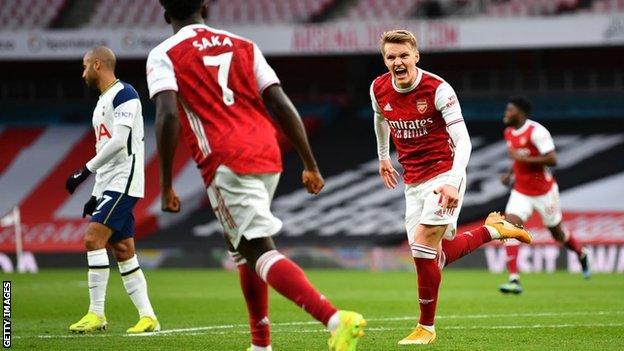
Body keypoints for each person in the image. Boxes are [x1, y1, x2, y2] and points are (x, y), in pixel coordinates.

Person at [146, 1, 365, 350]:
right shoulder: (244, 44)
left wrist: (167, 184)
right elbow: (280, 102)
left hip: (225, 159)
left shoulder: (164, 54)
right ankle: (260, 344)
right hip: (267, 151)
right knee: (242, 249)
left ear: (165, 14)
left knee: (258, 249)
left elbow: (168, 116)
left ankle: (335, 319)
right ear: (205, 6)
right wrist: (309, 162)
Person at [370, 29, 532, 345]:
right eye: (391, 57)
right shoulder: (378, 88)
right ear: (385, 60)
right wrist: (383, 157)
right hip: (413, 181)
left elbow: (463, 140)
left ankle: (426, 329)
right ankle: (494, 231)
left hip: (444, 175)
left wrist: (454, 182)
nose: (398, 62)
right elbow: (380, 119)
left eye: (404, 55)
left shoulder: (438, 89)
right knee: (434, 257)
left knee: (421, 247)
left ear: (416, 56)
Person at [65, 46, 159, 334]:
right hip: (112, 181)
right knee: (122, 249)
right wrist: (95, 194)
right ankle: (148, 317)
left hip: (125, 180)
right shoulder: (103, 101)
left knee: (93, 239)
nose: (82, 74)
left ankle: (96, 313)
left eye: (84, 67)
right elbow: (103, 149)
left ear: (97, 65)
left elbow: (119, 142)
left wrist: (84, 171)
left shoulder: (125, 94)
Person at [499, 97, 590, 294]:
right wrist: (510, 174)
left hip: (544, 192)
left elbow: (552, 159)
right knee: (509, 228)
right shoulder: (508, 132)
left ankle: (582, 253)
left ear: (521, 113)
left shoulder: (537, 132)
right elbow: (516, 160)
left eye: (510, 110)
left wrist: (524, 158)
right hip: (521, 191)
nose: (506, 114)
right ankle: (514, 279)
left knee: (557, 234)